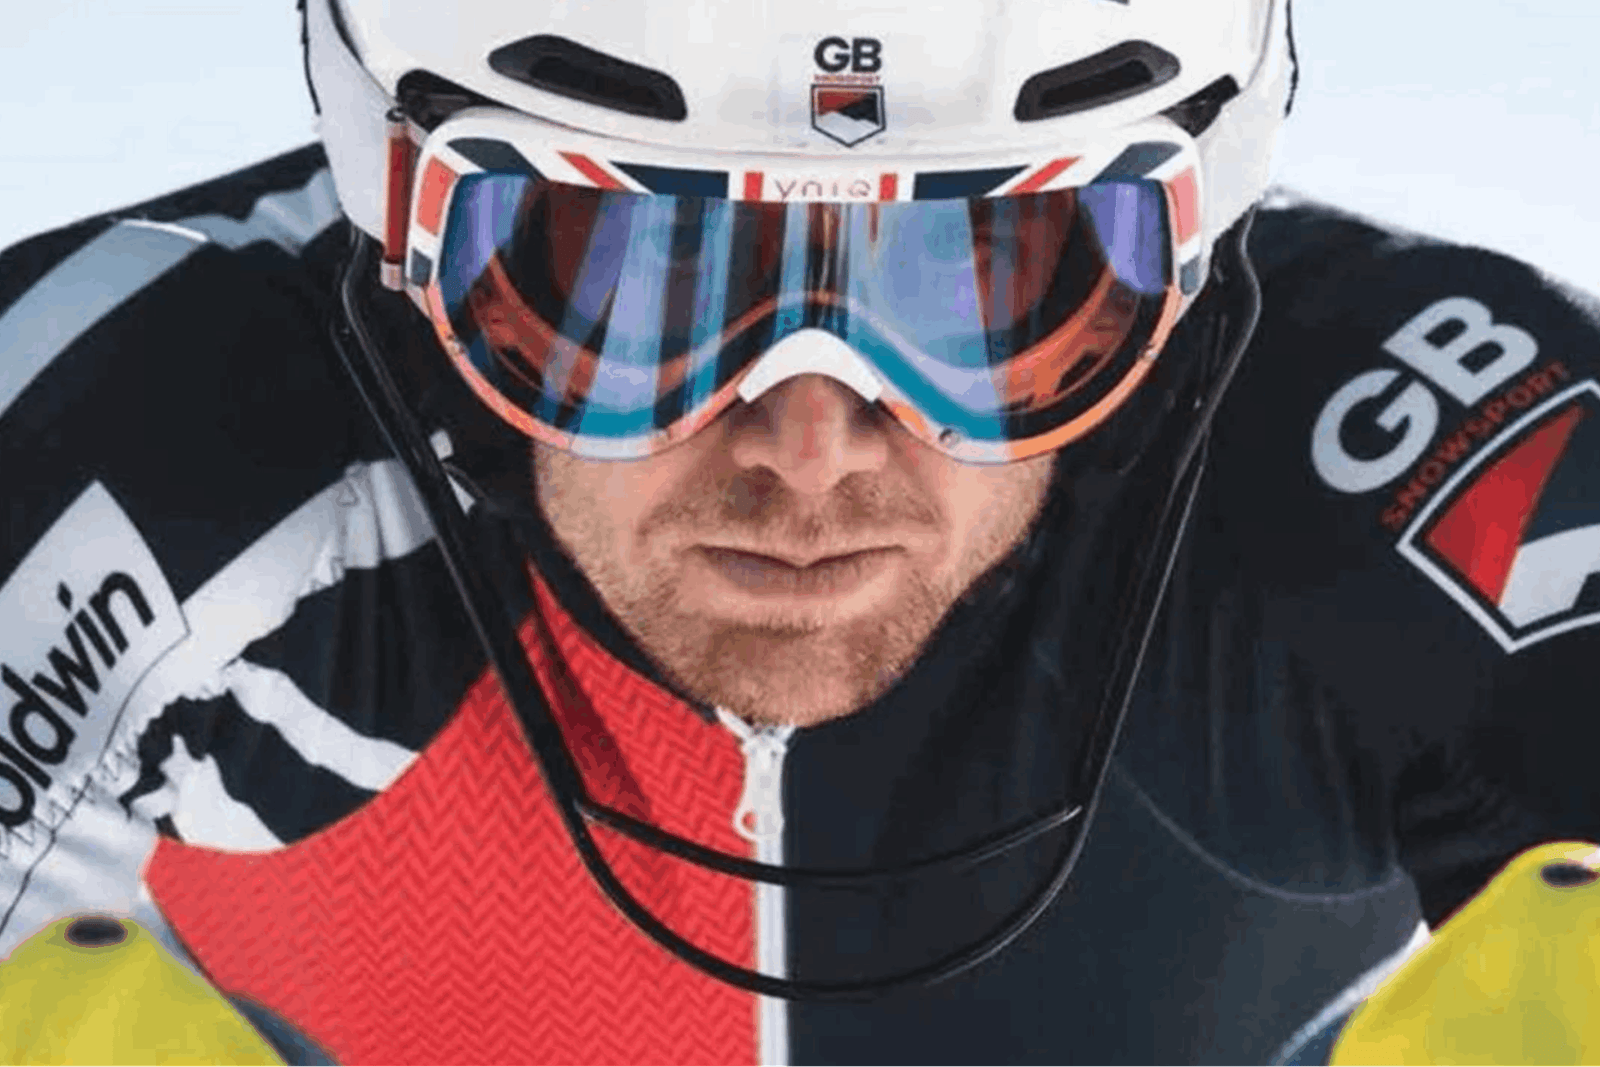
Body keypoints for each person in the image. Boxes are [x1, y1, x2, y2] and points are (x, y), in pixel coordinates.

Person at [1, 0, 1597, 1063]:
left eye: (974, 272)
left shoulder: (1396, 421)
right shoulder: (150, 409)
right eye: (644, 270)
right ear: (405, 239)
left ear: (1185, 265)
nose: (811, 447)